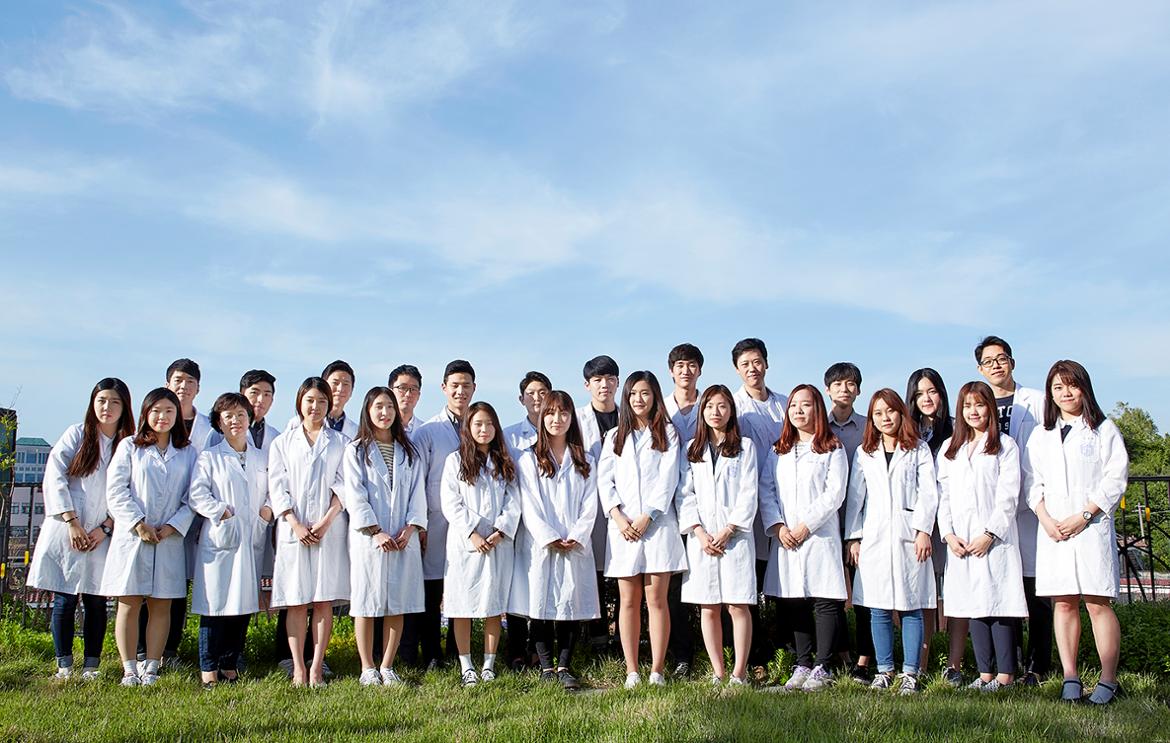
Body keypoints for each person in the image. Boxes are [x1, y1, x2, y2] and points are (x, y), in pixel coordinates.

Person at [1024, 360, 1128, 705]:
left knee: (1098, 603)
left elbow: (1116, 477)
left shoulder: (1103, 430)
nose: (1065, 393)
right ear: (1050, 394)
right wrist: (1045, 518)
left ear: (1084, 388)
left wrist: (1085, 514)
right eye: (1058, 387)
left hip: (1090, 527)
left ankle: (1108, 680)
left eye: (1072, 385)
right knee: (1063, 602)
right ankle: (1070, 677)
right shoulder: (1041, 435)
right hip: (1054, 529)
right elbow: (1032, 482)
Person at [28, 378, 134, 680]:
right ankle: (64, 665)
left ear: (124, 407)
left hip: (103, 533)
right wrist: (72, 523)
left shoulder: (128, 443)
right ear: (92, 403)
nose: (107, 407)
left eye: (114, 402)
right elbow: (55, 477)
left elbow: (131, 490)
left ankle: (91, 666)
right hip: (68, 529)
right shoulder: (77, 434)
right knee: (64, 598)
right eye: (101, 400)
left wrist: (106, 527)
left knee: (96, 599)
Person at [101, 387, 197, 687]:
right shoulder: (130, 446)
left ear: (177, 415)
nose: (162, 417)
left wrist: (172, 526)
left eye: (169, 411)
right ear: (145, 414)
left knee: (162, 604)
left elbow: (193, 496)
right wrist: (138, 523)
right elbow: (116, 491)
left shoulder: (188, 452)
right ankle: (130, 668)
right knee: (129, 603)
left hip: (169, 538)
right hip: (133, 538)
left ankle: (152, 667)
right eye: (156, 411)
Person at [844, 389, 937, 695]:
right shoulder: (865, 452)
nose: (885, 418)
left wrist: (923, 530)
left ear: (901, 413)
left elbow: (928, 494)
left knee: (911, 606)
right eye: (878, 413)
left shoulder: (918, 449)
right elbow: (856, 497)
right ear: (872, 419)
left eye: (891, 411)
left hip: (910, 538)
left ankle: (910, 672)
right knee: (878, 607)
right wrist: (854, 537)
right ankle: (884, 670)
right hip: (874, 537)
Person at [937, 381, 1028, 692]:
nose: (973, 411)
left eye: (979, 405)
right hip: (961, 542)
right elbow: (944, 495)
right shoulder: (951, 449)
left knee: (999, 604)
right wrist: (948, 534)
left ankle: (1006, 675)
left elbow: (1008, 495)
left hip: (995, 540)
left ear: (990, 408)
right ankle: (985, 674)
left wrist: (990, 533)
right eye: (967, 406)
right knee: (972, 605)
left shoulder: (1004, 446)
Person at [759, 384, 847, 692]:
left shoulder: (831, 448)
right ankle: (803, 663)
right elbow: (766, 490)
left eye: (805, 404)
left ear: (817, 409)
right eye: (794, 405)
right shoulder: (778, 450)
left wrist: (806, 526)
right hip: (786, 538)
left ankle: (823, 665)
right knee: (794, 600)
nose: (798, 410)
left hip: (819, 536)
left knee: (824, 599)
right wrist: (779, 527)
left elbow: (834, 493)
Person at [509, 390, 600, 692]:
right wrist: (549, 537)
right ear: (542, 418)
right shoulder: (528, 459)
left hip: (574, 544)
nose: (556, 419)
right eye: (550, 413)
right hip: (540, 545)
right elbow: (529, 504)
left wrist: (575, 535)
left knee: (570, 604)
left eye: (563, 413)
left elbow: (590, 505)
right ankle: (546, 666)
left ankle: (564, 666)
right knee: (540, 604)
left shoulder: (585, 461)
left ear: (572, 418)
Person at [599, 371, 684, 688]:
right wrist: (618, 517)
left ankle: (657, 671)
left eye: (645, 393)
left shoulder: (668, 433)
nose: (639, 399)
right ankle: (632, 671)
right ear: (626, 397)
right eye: (633, 393)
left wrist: (648, 515)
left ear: (655, 396)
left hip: (657, 526)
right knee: (628, 601)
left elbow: (669, 478)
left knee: (657, 600)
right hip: (623, 530)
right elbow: (604, 481)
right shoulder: (614, 436)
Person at [975, 336, 1049, 684]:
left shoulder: (1036, 401)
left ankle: (1038, 665)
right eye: (988, 361)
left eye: (1001, 359)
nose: (996, 365)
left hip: (1029, 509)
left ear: (1012, 363)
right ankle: (1010, 662)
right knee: (1004, 587)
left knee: (1035, 589)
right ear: (980, 369)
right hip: (991, 512)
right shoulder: (978, 403)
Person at [342, 386, 426, 687]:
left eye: (390, 407)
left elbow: (417, 494)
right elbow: (355, 495)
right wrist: (375, 531)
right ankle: (367, 667)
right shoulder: (355, 451)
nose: (385, 412)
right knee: (366, 603)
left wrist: (411, 527)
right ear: (368, 410)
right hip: (369, 539)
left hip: (402, 537)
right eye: (379, 406)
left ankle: (388, 666)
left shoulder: (409, 451)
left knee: (397, 602)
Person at [268, 377, 349, 687]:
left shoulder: (341, 443)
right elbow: (278, 487)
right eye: (310, 400)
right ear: (300, 402)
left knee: (323, 600)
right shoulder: (283, 443)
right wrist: (294, 523)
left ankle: (316, 666)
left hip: (329, 529)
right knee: (297, 599)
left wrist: (327, 521)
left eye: (322, 401)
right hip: (294, 530)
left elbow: (344, 485)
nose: (316, 407)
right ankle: (298, 668)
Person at [188, 393, 273, 689]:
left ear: (249, 418)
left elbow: (274, 489)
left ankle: (229, 664)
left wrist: (267, 511)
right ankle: (208, 668)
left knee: (243, 604)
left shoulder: (262, 458)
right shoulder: (210, 457)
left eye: (240, 415)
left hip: (251, 538)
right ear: (219, 423)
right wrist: (221, 512)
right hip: (221, 540)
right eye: (228, 416)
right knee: (215, 607)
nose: (235, 421)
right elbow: (197, 494)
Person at [676, 384, 757, 686]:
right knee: (708, 606)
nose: (715, 412)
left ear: (731, 411)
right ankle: (718, 672)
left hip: (734, 537)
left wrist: (729, 529)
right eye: (709, 406)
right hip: (702, 539)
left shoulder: (745, 447)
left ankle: (739, 672)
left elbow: (749, 492)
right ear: (702, 411)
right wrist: (698, 532)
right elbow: (685, 494)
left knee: (737, 605)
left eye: (722, 406)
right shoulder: (691, 449)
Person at [440, 402, 521, 687]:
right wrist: (473, 533)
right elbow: (451, 503)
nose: (484, 429)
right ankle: (467, 666)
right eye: (477, 424)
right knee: (462, 605)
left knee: (492, 604)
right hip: (466, 545)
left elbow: (513, 500)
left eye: (489, 423)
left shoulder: (504, 461)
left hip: (497, 544)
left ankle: (488, 664)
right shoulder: (455, 461)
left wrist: (500, 530)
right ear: (468, 428)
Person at [409, 360, 477, 670]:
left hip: (469, 523)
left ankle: (458, 650)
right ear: (444, 388)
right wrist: (420, 525)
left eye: (466, 385)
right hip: (435, 522)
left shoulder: (480, 426)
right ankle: (432, 653)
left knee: (464, 586)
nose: (460, 391)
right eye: (455, 385)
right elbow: (417, 481)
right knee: (432, 589)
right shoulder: (428, 432)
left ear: (474, 388)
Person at [730, 338, 788, 673]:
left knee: (781, 583)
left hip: (785, 503)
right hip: (748, 506)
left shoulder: (785, 404)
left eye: (757, 362)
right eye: (745, 364)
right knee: (749, 582)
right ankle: (755, 657)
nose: (752, 369)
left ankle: (786, 651)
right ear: (737, 370)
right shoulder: (734, 406)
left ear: (766, 363)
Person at [905, 367, 960, 681]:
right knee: (924, 593)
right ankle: (921, 664)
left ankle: (954, 664)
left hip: (953, 522)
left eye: (932, 391)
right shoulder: (907, 433)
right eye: (919, 394)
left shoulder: (957, 429)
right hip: (920, 525)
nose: (926, 399)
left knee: (956, 592)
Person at [823, 362, 872, 682]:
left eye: (850, 383)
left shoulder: (869, 427)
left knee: (866, 593)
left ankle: (865, 659)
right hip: (827, 523)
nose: (844, 389)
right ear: (827, 389)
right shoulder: (818, 426)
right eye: (838, 384)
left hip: (863, 525)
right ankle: (839, 654)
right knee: (831, 593)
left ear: (858, 389)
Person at [501, 370, 553, 671]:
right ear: (521, 399)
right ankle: (517, 650)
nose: (537, 398)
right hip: (517, 523)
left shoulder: (559, 432)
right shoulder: (509, 435)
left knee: (544, 586)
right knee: (518, 588)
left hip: (548, 523)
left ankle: (539, 650)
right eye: (531, 393)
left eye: (542, 392)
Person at [576, 355, 622, 655]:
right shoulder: (577, 420)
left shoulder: (629, 417)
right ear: (587, 385)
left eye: (609, 379)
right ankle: (597, 639)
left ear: (617, 382)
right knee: (592, 575)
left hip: (623, 510)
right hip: (589, 508)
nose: (604, 385)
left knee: (623, 577)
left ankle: (623, 639)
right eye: (597, 380)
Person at [662, 343, 703, 677]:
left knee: (713, 586)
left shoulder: (713, 405)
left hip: (709, 510)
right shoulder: (660, 409)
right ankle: (682, 655)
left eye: (691, 365)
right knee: (674, 589)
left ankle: (722, 652)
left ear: (699, 370)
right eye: (679, 365)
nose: (685, 371)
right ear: (671, 371)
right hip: (668, 511)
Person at [285, 360, 359, 439]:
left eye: (346, 384)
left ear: (352, 390)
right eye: (335, 383)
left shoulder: (356, 431)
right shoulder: (297, 423)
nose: (340, 389)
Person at [388, 365, 425, 436]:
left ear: (419, 395)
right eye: (402, 388)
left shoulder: (426, 431)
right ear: (390, 392)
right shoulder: (380, 430)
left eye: (413, 389)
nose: (408, 394)